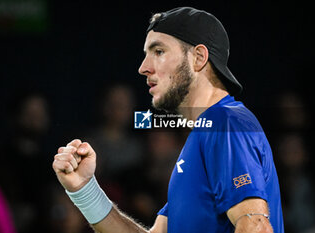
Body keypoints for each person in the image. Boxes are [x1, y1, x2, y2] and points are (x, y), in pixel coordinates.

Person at [52, 7, 284, 232]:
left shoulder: (225, 122)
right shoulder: (200, 139)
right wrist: (85, 190)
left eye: (159, 52)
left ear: (199, 57)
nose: (143, 68)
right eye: (146, 55)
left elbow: (256, 226)